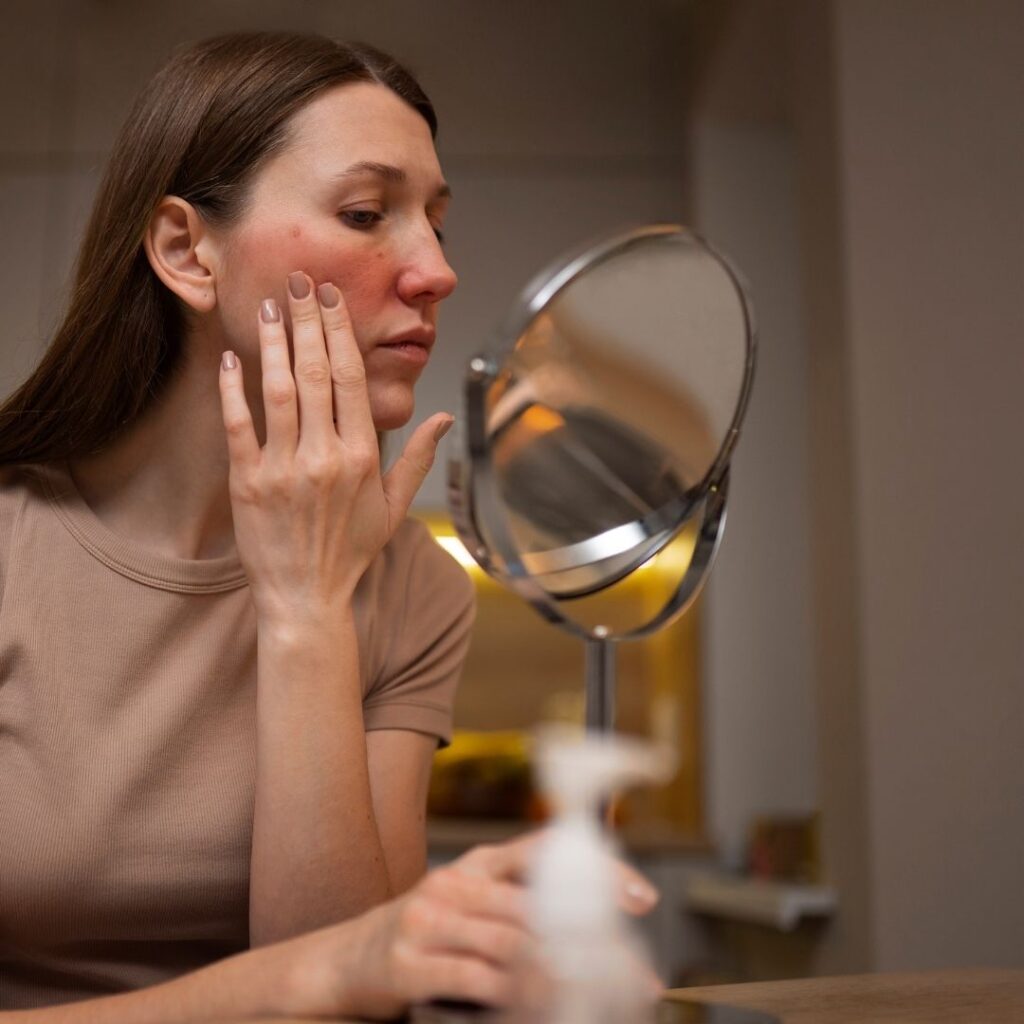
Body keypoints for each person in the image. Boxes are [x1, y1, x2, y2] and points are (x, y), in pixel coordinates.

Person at [0, 31, 666, 1018]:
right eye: (365, 213)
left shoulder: (412, 584)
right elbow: (333, 970)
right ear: (186, 251)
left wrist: (307, 608)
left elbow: (360, 1000)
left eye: (437, 224)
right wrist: (307, 978)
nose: (435, 270)